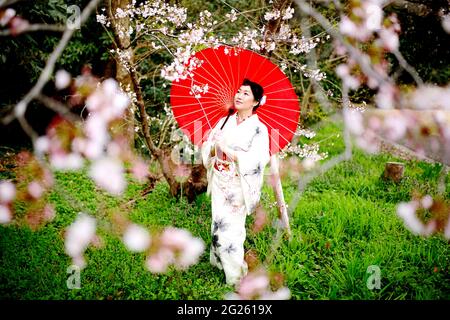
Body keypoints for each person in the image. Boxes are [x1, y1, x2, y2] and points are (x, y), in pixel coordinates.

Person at [201, 78, 271, 286]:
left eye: (246, 93)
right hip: (220, 182)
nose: (239, 96)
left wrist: (230, 152)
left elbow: (259, 159)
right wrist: (214, 148)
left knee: (231, 230)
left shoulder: (259, 129)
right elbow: (208, 148)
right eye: (238, 92)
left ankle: (235, 277)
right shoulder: (225, 121)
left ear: (256, 101)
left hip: (238, 185)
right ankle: (220, 264)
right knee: (217, 224)